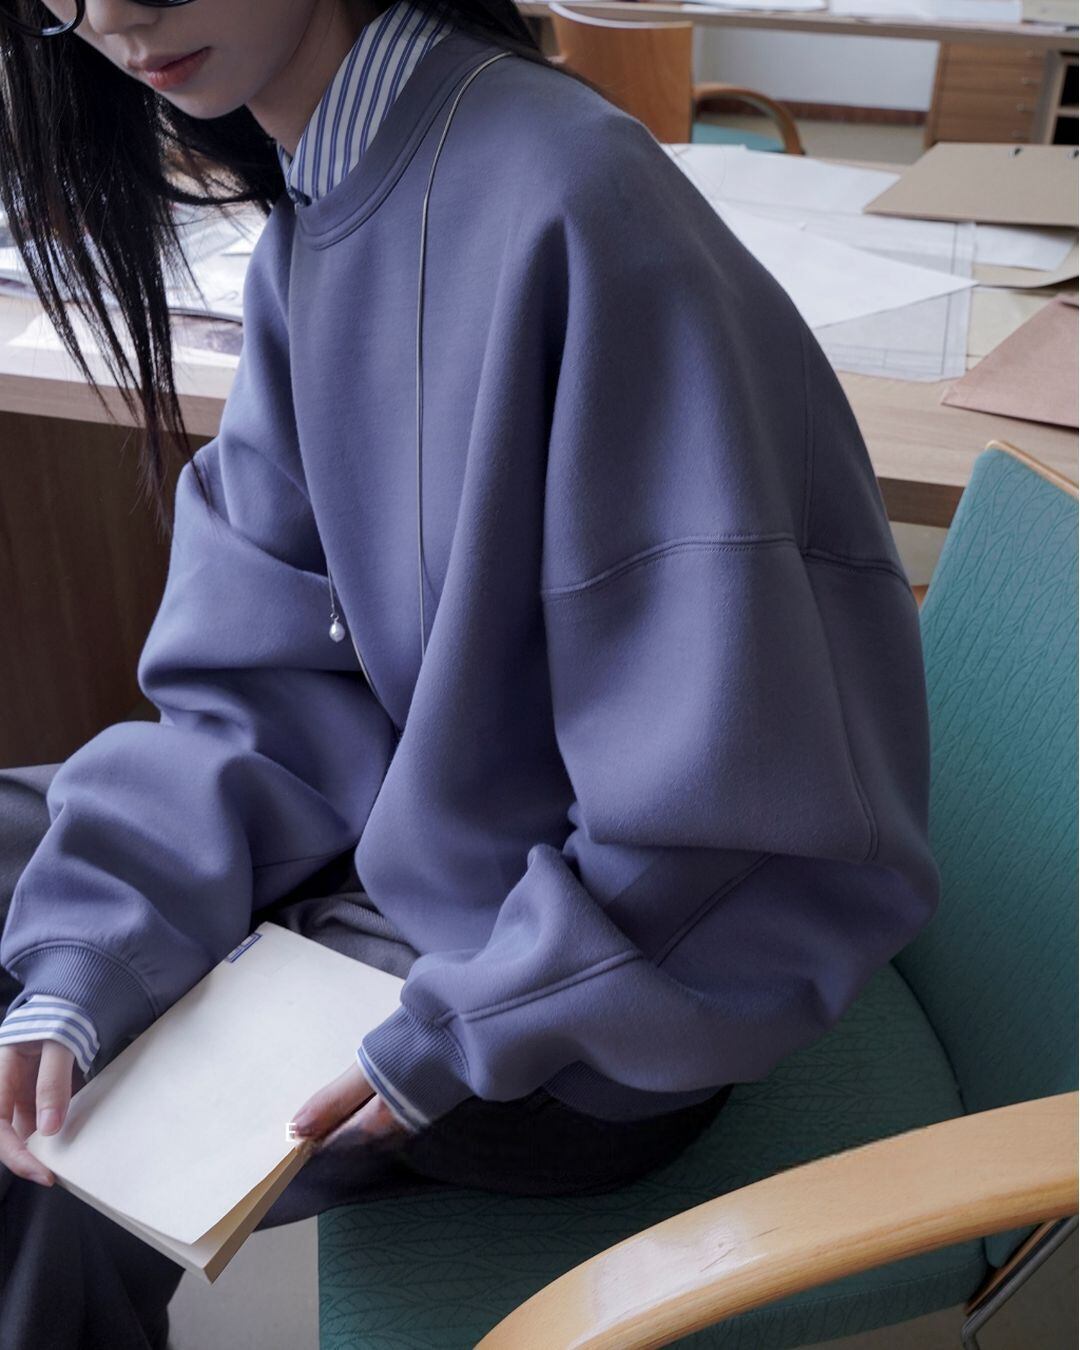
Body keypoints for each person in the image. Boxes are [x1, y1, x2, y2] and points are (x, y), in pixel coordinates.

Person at [0, 1, 941, 1345]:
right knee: (50, 963)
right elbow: (261, 686)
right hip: (437, 881)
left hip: (585, 1010)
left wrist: (463, 1025)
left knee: (65, 1154)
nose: (110, 14)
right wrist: (88, 952)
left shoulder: (573, 201)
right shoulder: (329, 210)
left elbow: (739, 829)